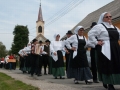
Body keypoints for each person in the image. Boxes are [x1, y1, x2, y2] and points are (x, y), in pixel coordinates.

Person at [87, 12, 120, 90]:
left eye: (110, 16)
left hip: (115, 47)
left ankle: (114, 81)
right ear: (102, 18)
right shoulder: (99, 26)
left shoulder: (115, 27)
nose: (109, 18)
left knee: (116, 64)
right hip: (105, 48)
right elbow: (90, 34)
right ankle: (109, 83)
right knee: (108, 65)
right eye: (106, 17)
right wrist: (96, 42)